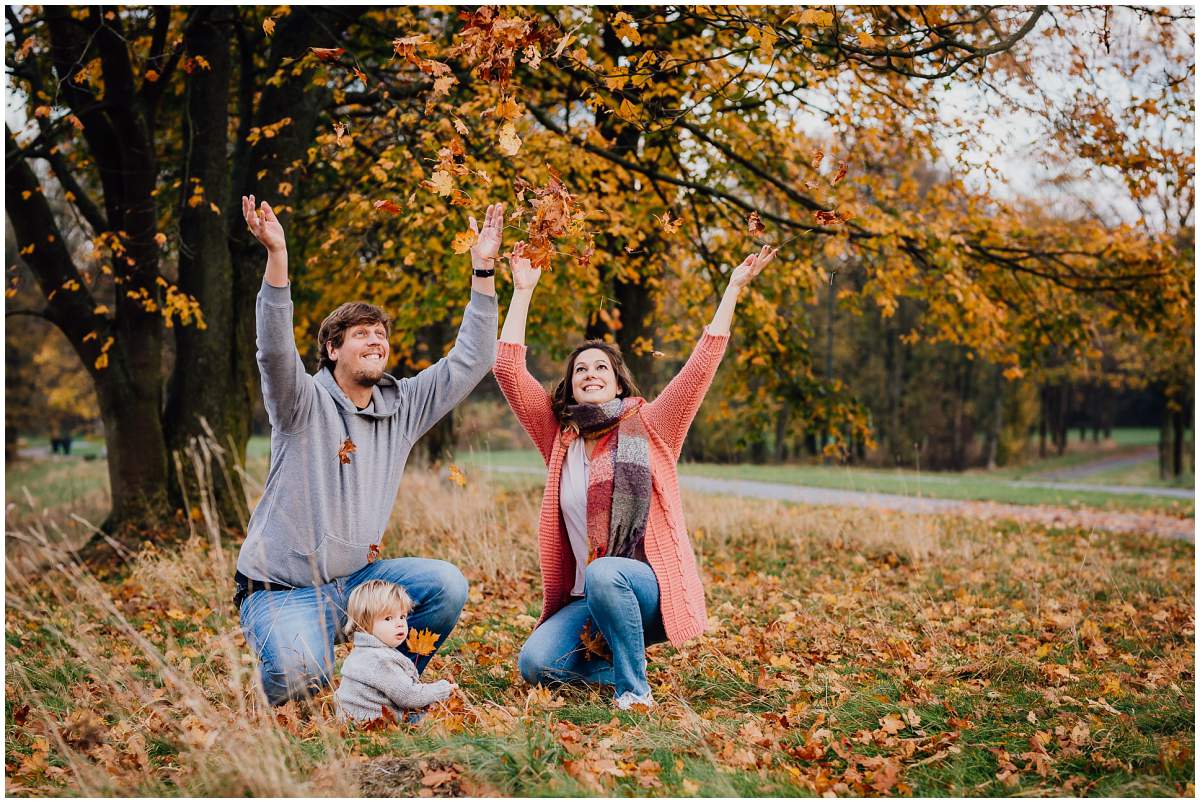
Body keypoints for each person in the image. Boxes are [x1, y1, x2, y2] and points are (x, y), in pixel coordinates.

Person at [235, 195, 503, 705]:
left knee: (444, 584)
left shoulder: (403, 409)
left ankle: (387, 684)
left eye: (380, 335)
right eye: (360, 334)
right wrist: (277, 258)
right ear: (332, 349)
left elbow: (472, 360)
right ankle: (291, 673)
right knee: (301, 675)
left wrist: (484, 268)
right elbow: (272, 350)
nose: (375, 341)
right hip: (282, 591)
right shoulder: (302, 402)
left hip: (357, 584)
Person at [492, 240, 778, 709]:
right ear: (569, 385)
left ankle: (635, 691)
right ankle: (620, 664)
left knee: (607, 572)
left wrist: (732, 289)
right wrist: (522, 290)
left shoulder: (650, 425)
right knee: (536, 664)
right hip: (589, 597)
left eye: (600, 366)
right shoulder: (559, 437)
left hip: (643, 588)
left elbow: (701, 367)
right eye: (580, 368)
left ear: (619, 381)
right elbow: (507, 368)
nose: (589, 372)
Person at [334, 580, 457, 722]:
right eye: (388, 618)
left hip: (352, 721)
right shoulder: (381, 660)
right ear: (364, 625)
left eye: (402, 616)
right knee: (438, 718)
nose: (399, 623)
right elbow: (409, 696)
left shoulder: (361, 652)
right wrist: (443, 689)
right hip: (375, 723)